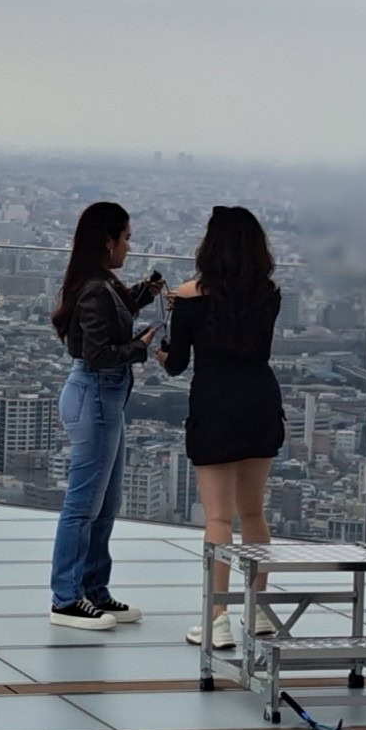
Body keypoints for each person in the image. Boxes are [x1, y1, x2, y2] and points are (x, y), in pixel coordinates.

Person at [159, 205, 286, 654]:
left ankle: (217, 618)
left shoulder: (190, 299)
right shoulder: (270, 295)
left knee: (218, 516)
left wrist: (166, 334)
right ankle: (260, 607)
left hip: (214, 404)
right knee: (253, 512)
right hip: (260, 400)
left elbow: (176, 365)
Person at [48, 201, 162, 630]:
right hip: (95, 393)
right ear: (107, 240)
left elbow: (111, 319)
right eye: (126, 238)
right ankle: (65, 597)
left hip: (104, 397)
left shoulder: (100, 284)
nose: (128, 247)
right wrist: (141, 346)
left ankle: (94, 590)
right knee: (83, 504)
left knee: (106, 501)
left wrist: (143, 294)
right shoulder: (96, 288)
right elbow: (97, 353)